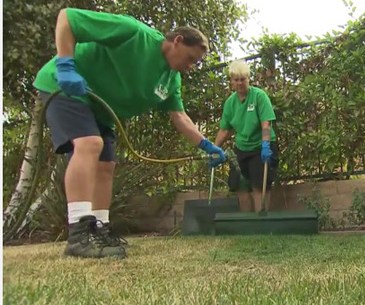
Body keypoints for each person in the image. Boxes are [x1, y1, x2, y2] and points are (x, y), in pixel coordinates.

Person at [32, 8, 226, 259]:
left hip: (101, 109)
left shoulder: (171, 80)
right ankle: (79, 233)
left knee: (106, 165)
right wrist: (65, 65)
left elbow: (179, 117)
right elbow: (68, 18)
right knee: (90, 144)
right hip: (65, 87)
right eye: (190, 58)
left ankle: (99, 229)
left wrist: (207, 145)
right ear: (177, 41)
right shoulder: (134, 33)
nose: (190, 67)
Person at [214, 60, 279, 213]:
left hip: (261, 147)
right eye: (236, 80)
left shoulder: (259, 96)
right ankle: (246, 225)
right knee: (239, 186)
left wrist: (265, 145)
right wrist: (214, 149)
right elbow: (225, 130)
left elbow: (266, 124)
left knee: (259, 186)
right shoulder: (230, 103)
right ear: (231, 82)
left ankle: (261, 224)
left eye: (243, 79)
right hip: (241, 147)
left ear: (248, 79)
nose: (240, 83)